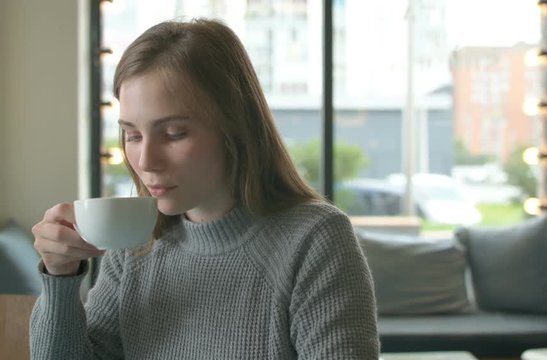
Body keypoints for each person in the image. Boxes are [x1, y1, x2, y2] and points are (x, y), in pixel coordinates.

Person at [30, 18, 379, 359]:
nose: (146, 160)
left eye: (174, 133)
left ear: (235, 129)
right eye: (133, 135)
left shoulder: (313, 239)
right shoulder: (134, 247)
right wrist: (59, 277)